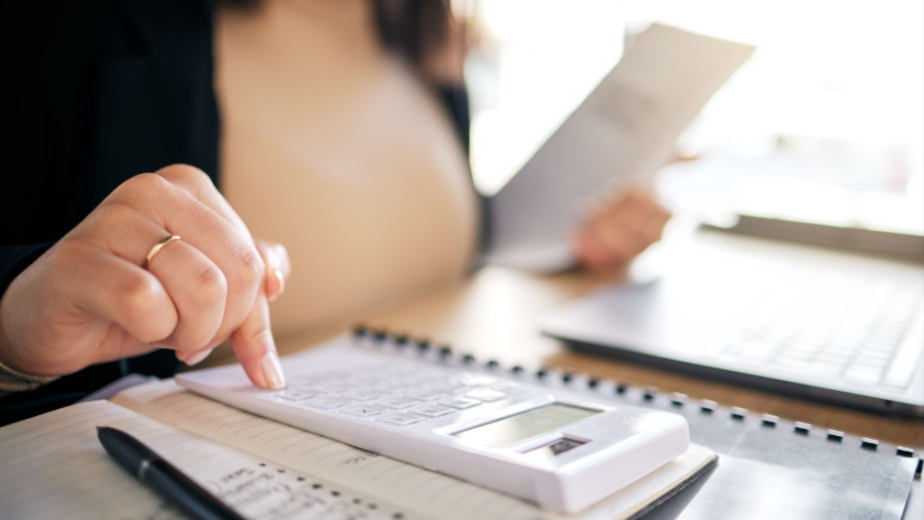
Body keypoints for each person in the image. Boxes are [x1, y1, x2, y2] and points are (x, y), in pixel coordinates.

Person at [0, 0, 670, 425]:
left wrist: (568, 247)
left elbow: (418, 244)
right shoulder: (70, 27)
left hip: (450, 434)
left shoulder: (429, 37)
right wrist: (10, 343)